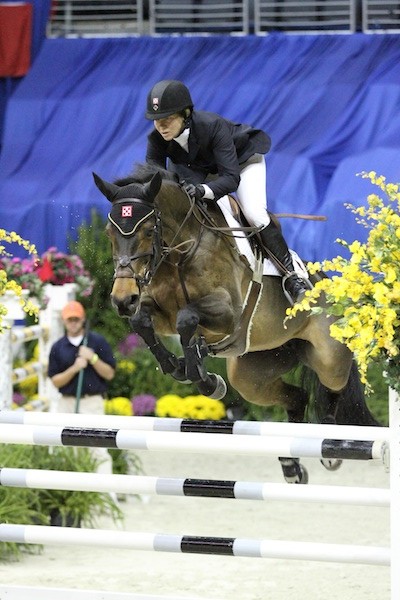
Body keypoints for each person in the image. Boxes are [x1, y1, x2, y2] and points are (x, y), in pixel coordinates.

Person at [145, 79, 310, 305]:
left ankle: (292, 276)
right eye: (157, 121)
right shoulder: (156, 139)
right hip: (201, 170)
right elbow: (155, 180)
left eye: (168, 119)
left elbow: (231, 179)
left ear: (185, 114)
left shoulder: (212, 126)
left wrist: (203, 190)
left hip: (241, 164)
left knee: (254, 213)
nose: (162, 126)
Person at [48, 300, 116, 475]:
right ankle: (74, 494)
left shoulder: (97, 341)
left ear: (83, 319)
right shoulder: (57, 347)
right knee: (68, 449)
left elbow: (109, 373)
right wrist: (74, 368)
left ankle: (105, 494)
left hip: (91, 402)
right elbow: (55, 381)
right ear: (64, 321)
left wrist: (93, 359)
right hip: (67, 402)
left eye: (76, 319)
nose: (73, 323)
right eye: (69, 320)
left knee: (97, 447)